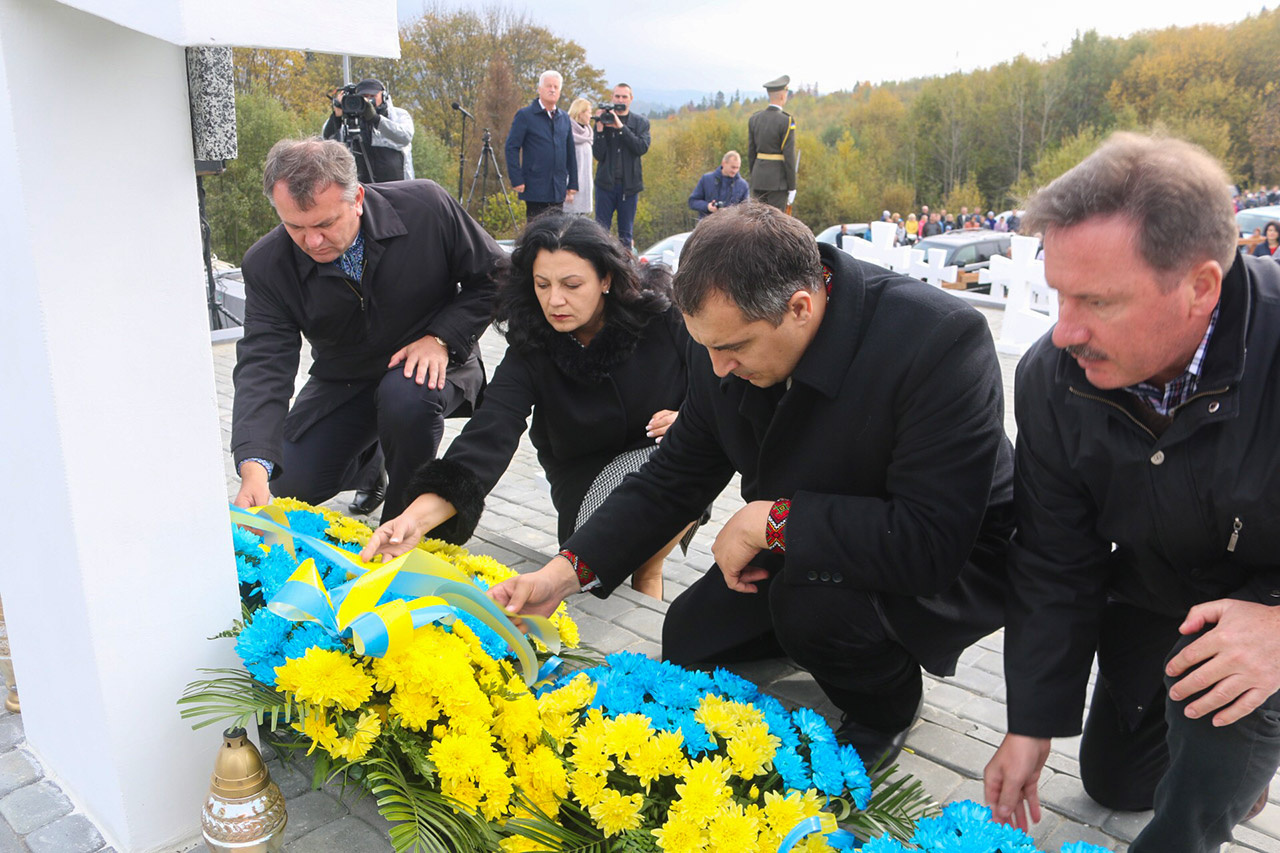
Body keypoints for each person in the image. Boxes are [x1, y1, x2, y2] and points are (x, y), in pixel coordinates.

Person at [488, 202, 1016, 767]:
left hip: (943, 552)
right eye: (705, 346)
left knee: (812, 611)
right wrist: (561, 576)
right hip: (808, 535)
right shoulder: (723, 334)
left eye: (732, 349)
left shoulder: (938, 339)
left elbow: (929, 541)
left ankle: (885, 701)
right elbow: (673, 478)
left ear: (800, 307)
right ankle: (819, 638)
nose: (716, 370)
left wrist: (772, 521)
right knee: (690, 639)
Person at [982, 133, 1280, 853]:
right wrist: (1031, 720)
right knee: (1116, 781)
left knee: (1217, 725)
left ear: (1201, 286)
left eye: (1097, 300)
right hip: (1155, 591)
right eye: (1058, 292)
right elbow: (1055, 557)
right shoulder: (1053, 378)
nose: (1064, 329)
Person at [360, 213, 694, 600]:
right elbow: (488, 435)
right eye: (542, 284)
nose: (555, 300)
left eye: (572, 285)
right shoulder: (532, 346)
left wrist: (690, 419)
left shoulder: (663, 319)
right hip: (585, 485)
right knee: (616, 551)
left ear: (606, 279)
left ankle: (647, 593)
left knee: (674, 466)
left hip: (670, 461)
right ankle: (644, 580)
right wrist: (412, 521)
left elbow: (721, 384)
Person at [231, 138, 502, 522]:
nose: (312, 241)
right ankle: (372, 461)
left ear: (356, 198)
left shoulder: (426, 206)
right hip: (347, 380)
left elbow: (497, 276)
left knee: (406, 398)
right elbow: (263, 364)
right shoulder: (266, 265)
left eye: (325, 223)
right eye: (294, 226)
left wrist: (442, 337)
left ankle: (404, 527)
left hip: (433, 364)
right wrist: (253, 465)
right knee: (286, 484)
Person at [505, 70, 578, 221]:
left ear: (559, 92)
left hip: (558, 187)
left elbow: (570, 152)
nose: (552, 90)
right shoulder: (525, 115)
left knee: (556, 233)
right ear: (539, 89)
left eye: (556, 87)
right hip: (535, 186)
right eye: (548, 86)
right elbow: (511, 147)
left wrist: (573, 183)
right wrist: (516, 178)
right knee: (536, 232)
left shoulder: (564, 118)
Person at [322, 78, 414, 183]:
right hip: (362, 186)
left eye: (372, 97)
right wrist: (337, 117)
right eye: (364, 97)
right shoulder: (350, 119)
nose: (368, 100)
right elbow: (326, 142)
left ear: (383, 96)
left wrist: (376, 119)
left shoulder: (398, 115)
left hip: (396, 185)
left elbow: (405, 137)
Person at [593, 83, 650, 249]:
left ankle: (625, 270)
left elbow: (641, 147)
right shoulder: (604, 120)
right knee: (600, 232)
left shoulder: (640, 123)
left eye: (624, 97)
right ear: (612, 98)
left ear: (631, 99)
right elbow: (598, 154)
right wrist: (600, 129)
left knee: (626, 235)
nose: (620, 100)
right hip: (605, 185)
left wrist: (620, 127)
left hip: (629, 187)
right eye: (617, 96)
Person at [747, 76, 797, 212]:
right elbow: (789, 156)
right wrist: (792, 186)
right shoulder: (786, 121)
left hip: (758, 179)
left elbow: (751, 153)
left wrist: (755, 175)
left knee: (757, 222)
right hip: (778, 182)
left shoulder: (754, 119)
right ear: (782, 95)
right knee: (775, 224)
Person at [687, 150, 750, 219]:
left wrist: (731, 211)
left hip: (731, 226)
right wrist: (707, 206)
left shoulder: (743, 185)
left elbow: (746, 210)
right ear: (723, 163)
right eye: (733, 167)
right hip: (707, 224)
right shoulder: (706, 179)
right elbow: (692, 202)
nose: (735, 171)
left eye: (737, 168)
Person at [563, 98, 594, 217]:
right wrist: (569, 189)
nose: (591, 116)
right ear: (581, 113)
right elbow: (566, 164)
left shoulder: (587, 134)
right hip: (571, 192)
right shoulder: (567, 133)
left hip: (585, 191)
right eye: (589, 112)